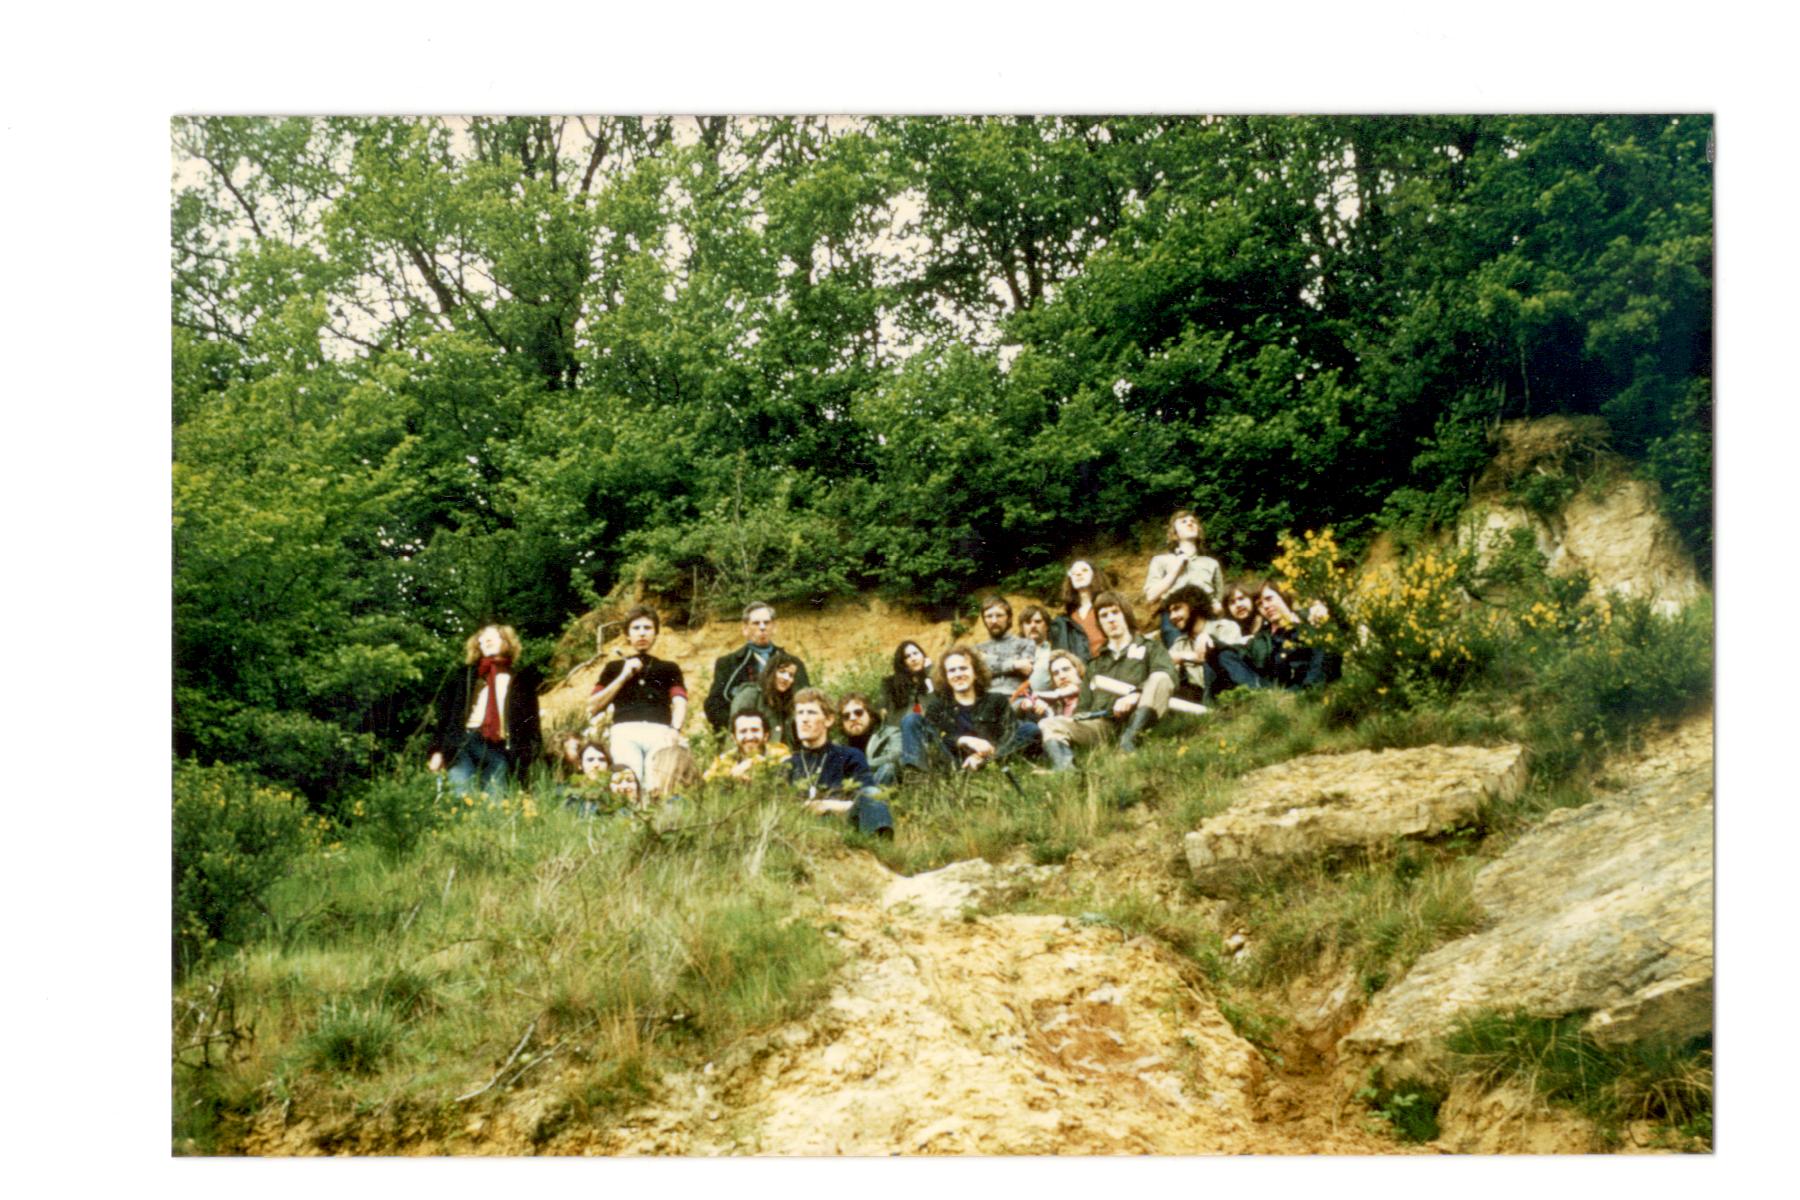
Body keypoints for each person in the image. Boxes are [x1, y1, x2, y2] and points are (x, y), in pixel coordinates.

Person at [1039, 592, 1177, 769]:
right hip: (1104, 725)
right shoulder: (1095, 664)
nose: (1111, 619)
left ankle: (1128, 745)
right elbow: (1082, 709)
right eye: (1104, 615)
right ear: (1099, 623)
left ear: (1125, 615)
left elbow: (1168, 674)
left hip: (1142, 716)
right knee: (1048, 724)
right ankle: (1066, 769)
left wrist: (1135, 695)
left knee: (1160, 677)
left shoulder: (1151, 648)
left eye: (1115, 612)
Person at [427, 621, 543, 800]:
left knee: (496, 801)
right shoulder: (465, 676)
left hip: (499, 747)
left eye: (492, 637)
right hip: (462, 742)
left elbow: (532, 725)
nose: (486, 640)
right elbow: (446, 716)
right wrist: (436, 751)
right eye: (482, 639)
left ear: (506, 641)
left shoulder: (521, 681)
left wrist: (527, 758)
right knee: (461, 796)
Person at [587, 606, 687, 783]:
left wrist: (675, 729)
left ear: (655, 633)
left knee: (657, 785)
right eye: (636, 628)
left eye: (647, 628)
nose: (642, 634)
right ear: (627, 634)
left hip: (660, 731)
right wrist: (624, 676)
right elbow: (593, 706)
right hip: (625, 731)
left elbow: (680, 701)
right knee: (628, 783)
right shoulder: (613, 668)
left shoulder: (669, 668)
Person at [900, 646, 1031, 775]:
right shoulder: (937, 707)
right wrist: (962, 740)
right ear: (945, 677)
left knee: (1030, 729)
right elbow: (934, 739)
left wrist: (982, 757)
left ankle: (983, 765)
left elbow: (1010, 734)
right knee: (911, 720)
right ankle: (917, 777)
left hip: (989, 758)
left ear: (975, 673)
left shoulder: (997, 701)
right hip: (951, 764)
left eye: (963, 668)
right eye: (952, 671)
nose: (958, 674)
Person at [786, 689, 895, 837]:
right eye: (800, 713)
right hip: (799, 831)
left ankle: (881, 846)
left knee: (873, 793)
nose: (804, 719)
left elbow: (869, 797)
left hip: (845, 826)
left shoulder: (849, 755)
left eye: (811, 712)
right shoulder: (788, 764)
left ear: (829, 720)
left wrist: (826, 805)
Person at [703, 602, 810, 730]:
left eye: (767, 622)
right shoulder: (729, 663)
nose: (762, 627)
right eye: (756, 623)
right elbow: (714, 706)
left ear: (774, 627)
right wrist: (740, 727)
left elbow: (806, 701)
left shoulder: (794, 663)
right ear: (745, 628)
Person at [1143, 510, 1226, 636]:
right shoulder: (1161, 560)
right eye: (1184, 522)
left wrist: (1217, 606)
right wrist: (1176, 570)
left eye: (1193, 521)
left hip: (1205, 615)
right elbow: (1151, 596)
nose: (1190, 523)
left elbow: (1219, 598)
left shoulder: (1211, 563)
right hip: (1175, 616)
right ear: (1175, 533)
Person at [729, 650, 803, 748]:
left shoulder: (789, 703)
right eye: (782, 672)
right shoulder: (750, 694)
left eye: (791, 675)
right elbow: (736, 731)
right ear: (771, 672)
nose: (786, 678)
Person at [1160, 584, 1219, 702]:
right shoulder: (1179, 644)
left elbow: (1232, 661)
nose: (1172, 617)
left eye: (1177, 609)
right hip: (1195, 698)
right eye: (1170, 612)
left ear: (1193, 606)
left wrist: (1184, 656)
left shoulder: (1224, 628)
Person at [973, 595, 1038, 696]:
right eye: (989, 616)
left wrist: (988, 660)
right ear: (984, 620)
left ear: (1008, 618)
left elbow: (1026, 670)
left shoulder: (1026, 643)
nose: (994, 620)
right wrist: (1014, 664)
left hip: (1017, 699)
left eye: (999, 615)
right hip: (988, 701)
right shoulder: (978, 649)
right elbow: (979, 676)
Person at [703, 710, 792, 785]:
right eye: (743, 731)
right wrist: (732, 776)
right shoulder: (724, 760)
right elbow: (705, 783)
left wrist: (761, 766)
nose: (749, 737)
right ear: (734, 738)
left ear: (766, 736)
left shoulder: (780, 754)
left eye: (755, 730)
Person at [1049, 559, 1111, 662]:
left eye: (1084, 570)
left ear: (1094, 575)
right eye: (1074, 572)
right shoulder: (1067, 618)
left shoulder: (1108, 606)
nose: (1078, 574)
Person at [837, 692, 901, 786]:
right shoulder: (839, 747)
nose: (853, 718)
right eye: (846, 716)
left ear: (870, 715)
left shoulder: (891, 733)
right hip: (850, 792)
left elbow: (896, 757)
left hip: (879, 786)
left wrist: (859, 765)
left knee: (888, 768)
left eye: (858, 712)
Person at [1017, 649, 1088, 723]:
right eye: (1056, 673)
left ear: (1078, 670)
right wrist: (1030, 703)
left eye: (1066, 669)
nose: (1062, 676)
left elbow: (1058, 694)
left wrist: (1037, 695)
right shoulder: (1057, 703)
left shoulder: (1090, 690)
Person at [879, 640, 934, 728]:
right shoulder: (891, 683)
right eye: (908, 656)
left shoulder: (933, 677)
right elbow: (882, 710)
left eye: (916, 653)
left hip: (931, 728)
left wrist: (929, 671)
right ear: (902, 662)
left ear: (923, 656)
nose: (913, 658)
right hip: (901, 731)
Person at [1018, 604, 1057, 692]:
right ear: (1022, 628)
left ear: (1047, 626)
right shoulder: (1012, 652)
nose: (1033, 626)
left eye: (1038, 621)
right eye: (1028, 622)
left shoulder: (1055, 652)